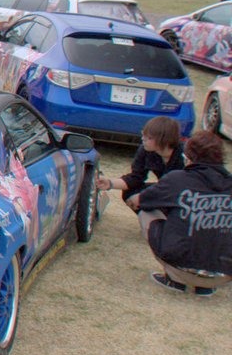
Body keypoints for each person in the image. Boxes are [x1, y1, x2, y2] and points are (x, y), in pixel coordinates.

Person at [125, 130, 232, 296]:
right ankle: (206, 286)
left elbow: (139, 201)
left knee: (148, 211)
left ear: (188, 156)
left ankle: (174, 279)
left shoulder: (177, 179)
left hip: (180, 267)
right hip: (224, 274)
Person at [97, 116, 184, 204]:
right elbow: (136, 178)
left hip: (185, 193)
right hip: (164, 189)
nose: (143, 139)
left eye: (149, 137)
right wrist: (110, 183)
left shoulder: (184, 155)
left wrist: (144, 196)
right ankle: (155, 217)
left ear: (164, 140)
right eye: (143, 135)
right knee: (130, 192)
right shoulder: (146, 150)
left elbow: (189, 183)